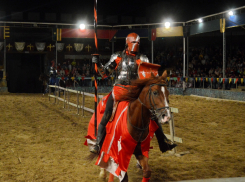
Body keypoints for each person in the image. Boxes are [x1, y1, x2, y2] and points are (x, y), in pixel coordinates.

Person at [91, 32, 176, 154]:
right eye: (134, 42)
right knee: (107, 114)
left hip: (135, 92)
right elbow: (104, 73)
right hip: (118, 90)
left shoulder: (142, 58)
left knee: (152, 115)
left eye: (138, 43)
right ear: (128, 42)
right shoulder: (117, 57)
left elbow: (150, 75)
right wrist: (98, 63)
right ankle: (98, 144)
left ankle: (163, 142)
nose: (136, 45)